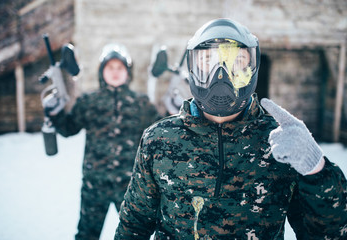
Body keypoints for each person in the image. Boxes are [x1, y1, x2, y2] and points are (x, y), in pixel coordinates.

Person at [114, 19, 347, 239]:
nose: (221, 75)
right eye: (207, 62)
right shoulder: (159, 139)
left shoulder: (281, 142)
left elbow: (329, 233)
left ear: (253, 67)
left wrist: (318, 171)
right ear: (192, 68)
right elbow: (134, 223)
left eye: (236, 62)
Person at [46, 43, 160, 240]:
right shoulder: (89, 101)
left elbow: (160, 133)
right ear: (102, 72)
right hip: (94, 183)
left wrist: (172, 112)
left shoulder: (142, 103)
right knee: (87, 235)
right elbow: (68, 129)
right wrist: (54, 113)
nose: (115, 72)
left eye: (120, 68)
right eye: (110, 67)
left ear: (128, 72)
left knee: (135, 235)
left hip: (130, 185)